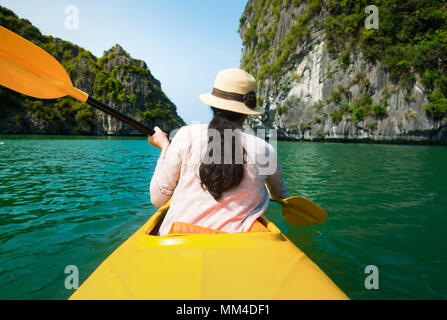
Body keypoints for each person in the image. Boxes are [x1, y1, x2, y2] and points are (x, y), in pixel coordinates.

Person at [148, 68, 287, 235]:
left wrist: (164, 148)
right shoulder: (265, 150)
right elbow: (278, 195)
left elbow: (157, 199)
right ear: (246, 113)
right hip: (235, 246)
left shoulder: (185, 135)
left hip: (179, 240)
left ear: (212, 105)